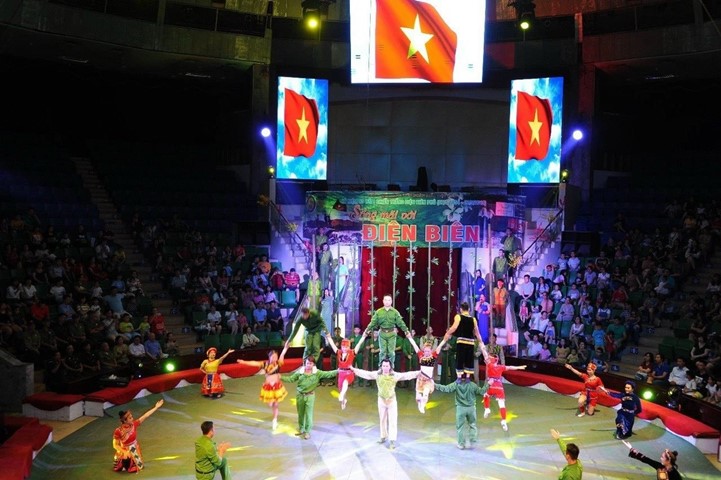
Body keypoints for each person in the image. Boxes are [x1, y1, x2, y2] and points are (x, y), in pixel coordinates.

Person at [351, 358, 420, 450]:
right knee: (382, 419)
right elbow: (367, 374)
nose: (385, 368)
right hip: (381, 400)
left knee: (393, 420)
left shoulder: (394, 375)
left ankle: (392, 440)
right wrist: (354, 370)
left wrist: (419, 373)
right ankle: (383, 436)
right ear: (381, 366)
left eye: (387, 366)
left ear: (390, 366)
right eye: (384, 366)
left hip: (391, 401)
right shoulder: (377, 374)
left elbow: (406, 375)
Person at [280, 357, 337, 440]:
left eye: (310, 363)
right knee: (300, 413)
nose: (308, 365)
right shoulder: (300, 372)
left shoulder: (317, 373)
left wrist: (339, 370)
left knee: (308, 415)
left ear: (313, 364)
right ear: (305, 363)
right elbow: (290, 379)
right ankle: (301, 429)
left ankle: (307, 431)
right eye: (307, 363)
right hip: (300, 396)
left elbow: (329, 374)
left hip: (310, 396)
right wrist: (280, 377)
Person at [478, 342, 527, 431]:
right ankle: (503, 421)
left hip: (491, 386)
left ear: (491, 360)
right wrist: (519, 367)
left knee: (485, 394)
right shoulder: (500, 367)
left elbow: (485, 355)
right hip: (499, 388)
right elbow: (511, 367)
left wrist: (482, 347)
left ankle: (487, 409)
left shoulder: (489, 365)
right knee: (502, 405)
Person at [435, 373, 488, 450]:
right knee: (472, 425)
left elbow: (446, 388)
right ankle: (473, 441)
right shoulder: (472, 385)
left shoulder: (456, 384)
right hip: (471, 408)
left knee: (460, 427)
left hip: (460, 409)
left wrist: (434, 385)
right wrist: (488, 384)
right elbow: (481, 391)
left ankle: (461, 444)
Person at [236, 350, 287, 430]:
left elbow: (283, 354)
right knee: (270, 404)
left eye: (276, 357)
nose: (275, 358)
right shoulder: (265, 364)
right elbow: (254, 363)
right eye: (273, 357)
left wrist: (285, 348)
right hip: (268, 387)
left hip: (277, 387)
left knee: (276, 404)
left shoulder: (278, 363)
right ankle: (274, 414)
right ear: (269, 357)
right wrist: (244, 362)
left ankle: (275, 420)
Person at [112, 399, 164, 473]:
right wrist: (125, 452)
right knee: (123, 462)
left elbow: (145, 416)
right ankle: (122, 462)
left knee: (138, 467)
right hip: (124, 450)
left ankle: (130, 462)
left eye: (132, 417)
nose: (132, 419)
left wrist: (156, 407)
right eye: (130, 418)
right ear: (125, 421)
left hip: (134, 448)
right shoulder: (118, 431)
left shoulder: (134, 424)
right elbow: (115, 445)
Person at [360, 294, 414, 361]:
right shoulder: (379, 311)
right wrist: (367, 330)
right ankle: (381, 366)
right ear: (383, 301)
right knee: (382, 352)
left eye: (389, 300)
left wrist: (406, 331)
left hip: (391, 333)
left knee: (391, 352)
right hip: (382, 333)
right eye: (385, 300)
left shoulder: (395, 312)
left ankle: (391, 366)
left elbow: (401, 322)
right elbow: (373, 322)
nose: (387, 302)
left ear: (391, 301)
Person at [443, 301, 485, 379]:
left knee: (460, 359)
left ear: (461, 309)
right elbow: (477, 332)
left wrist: (447, 333)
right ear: (469, 309)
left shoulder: (458, 317)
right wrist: (481, 342)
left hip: (461, 341)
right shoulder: (473, 319)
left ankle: (459, 377)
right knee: (469, 359)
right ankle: (468, 378)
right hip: (470, 342)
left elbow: (454, 327)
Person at [324, 333, 365, 409]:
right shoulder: (339, 352)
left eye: (346, 347)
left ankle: (342, 395)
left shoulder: (352, 352)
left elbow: (359, 344)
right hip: (341, 373)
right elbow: (332, 345)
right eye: (343, 347)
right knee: (342, 389)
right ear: (341, 346)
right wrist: (329, 337)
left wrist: (363, 336)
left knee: (345, 384)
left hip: (349, 373)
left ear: (349, 347)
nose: (345, 348)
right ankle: (343, 400)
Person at [408, 337, 446, 413]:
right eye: (425, 351)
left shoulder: (433, 356)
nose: (426, 352)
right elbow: (414, 345)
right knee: (418, 397)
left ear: (431, 351)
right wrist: (409, 337)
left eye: (428, 351)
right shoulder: (421, 355)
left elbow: (440, 346)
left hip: (428, 380)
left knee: (425, 394)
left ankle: (423, 405)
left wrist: (445, 339)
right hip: (420, 380)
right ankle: (420, 403)